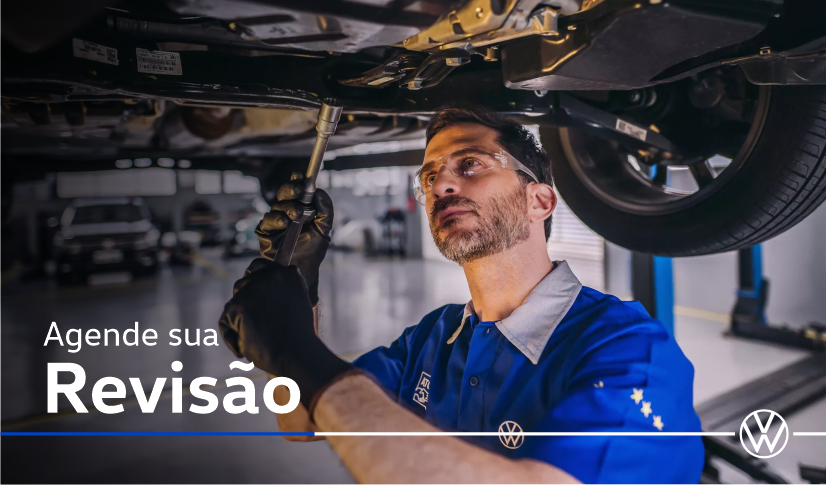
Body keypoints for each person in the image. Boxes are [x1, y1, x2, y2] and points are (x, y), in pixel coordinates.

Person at [219, 106, 705, 484]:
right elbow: (303, 421)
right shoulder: (434, 337)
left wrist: (297, 353)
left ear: (539, 200)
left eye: (469, 164)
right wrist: (300, 289)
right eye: (429, 177)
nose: (441, 185)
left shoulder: (628, 348)